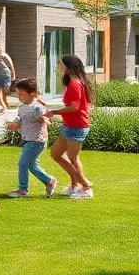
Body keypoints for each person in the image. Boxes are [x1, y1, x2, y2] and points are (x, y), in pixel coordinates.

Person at [47, 55, 94, 199]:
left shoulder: (75, 83)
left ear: (69, 66)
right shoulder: (74, 82)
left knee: (72, 158)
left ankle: (85, 187)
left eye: (61, 65)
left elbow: (74, 107)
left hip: (77, 125)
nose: (60, 68)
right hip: (71, 125)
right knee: (56, 154)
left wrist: (54, 112)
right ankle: (75, 185)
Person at [5, 77, 57, 198]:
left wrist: (45, 118)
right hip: (28, 140)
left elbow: (46, 118)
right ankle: (49, 181)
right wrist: (14, 126)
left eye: (21, 94)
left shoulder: (37, 107)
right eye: (18, 94)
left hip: (37, 140)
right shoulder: (22, 107)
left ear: (32, 93)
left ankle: (23, 189)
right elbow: (22, 122)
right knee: (31, 165)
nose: (19, 97)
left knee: (23, 163)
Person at [0, 43, 17, 113]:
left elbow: (11, 65)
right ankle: (4, 106)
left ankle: (5, 106)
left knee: (5, 92)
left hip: (6, 76)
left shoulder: (5, 56)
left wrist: (13, 75)